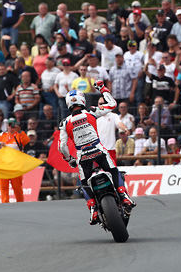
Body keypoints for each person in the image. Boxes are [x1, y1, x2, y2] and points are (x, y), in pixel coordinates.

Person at [58, 82, 135, 225]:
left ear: (68, 103)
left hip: (82, 156)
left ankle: (93, 209)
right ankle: (124, 197)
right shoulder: (91, 111)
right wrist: (102, 89)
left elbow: (62, 146)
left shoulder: (64, 123)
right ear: (83, 100)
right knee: (113, 170)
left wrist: (69, 159)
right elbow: (112, 104)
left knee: (85, 183)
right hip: (98, 150)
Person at [0, 117, 30, 203]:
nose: (11, 127)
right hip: (4, 165)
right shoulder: (2, 135)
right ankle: (5, 204)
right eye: (9, 125)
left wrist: (19, 131)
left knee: (17, 187)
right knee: (3, 187)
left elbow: (26, 141)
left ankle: (20, 203)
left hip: (15, 166)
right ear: (7, 125)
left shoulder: (19, 134)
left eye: (13, 125)